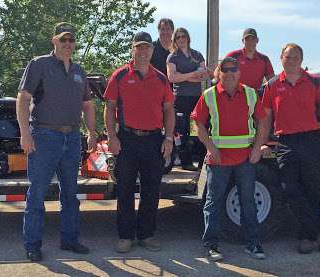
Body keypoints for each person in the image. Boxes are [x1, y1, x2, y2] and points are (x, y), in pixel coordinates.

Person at [17, 22, 96, 262]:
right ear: (54, 41)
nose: (68, 44)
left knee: (70, 194)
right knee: (37, 193)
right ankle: (32, 245)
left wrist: (92, 131)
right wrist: (25, 133)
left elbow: (88, 105)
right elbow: (22, 99)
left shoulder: (80, 71)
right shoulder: (39, 64)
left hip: (72, 138)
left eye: (71, 40)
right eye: (63, 40)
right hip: (43, 137)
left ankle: (70, 240)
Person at [191, 57, 270, 261]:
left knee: (248, 202)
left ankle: (253, 244)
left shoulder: (251, 94)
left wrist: (257, 148)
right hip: (218, 160)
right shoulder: (209, 95)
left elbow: (263, 121)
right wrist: (210, 148)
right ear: (219, 73)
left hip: (245, 157)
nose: (230, 73)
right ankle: (211, 245)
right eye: (225, 70)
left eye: (234, 69)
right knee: (213, 203)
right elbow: (198, 124)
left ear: (239, 73)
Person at [103, 31, 175, 253]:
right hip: (126, 139)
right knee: (124, 189)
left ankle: (147, 235)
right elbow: (109, 108)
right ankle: (125, 237)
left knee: (151, 190)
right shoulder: (120, 76)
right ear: (133, 49)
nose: (143, 52)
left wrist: (169, 138)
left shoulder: (161, 78)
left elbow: (169, 110)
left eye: (147, 48)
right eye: (139, 47)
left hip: (153, 140)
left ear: (152, 51)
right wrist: (112, 138)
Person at [262, 43, 320, 254]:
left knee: (312, 189)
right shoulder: (273, 85)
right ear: (280, 58)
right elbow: (266, 118)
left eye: (294, 57)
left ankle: (307, 236)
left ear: (301, 60)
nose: (290, 60)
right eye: (287, 57)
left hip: (312, 141)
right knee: (290, 189)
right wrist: (263, 142)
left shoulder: (314, 81)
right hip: (286, 142)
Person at [166, 27, 209, 171]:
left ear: (188, 37)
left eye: (183, 36)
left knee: (203, 128)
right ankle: (186, 162)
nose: (181, 39)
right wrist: (193, 74)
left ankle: (204, 161)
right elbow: (172, 77)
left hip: (198, 97)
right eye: (178, 37)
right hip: (180, 98)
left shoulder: (197, 55)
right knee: (182, 131)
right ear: (175, 40)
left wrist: (183, 75)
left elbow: (204, 75)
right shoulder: (172, 57)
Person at [215, 28, 274, 93]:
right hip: (235, 96)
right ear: (243, 41)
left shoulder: (264, 59)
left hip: (255, 98)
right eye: (247, 39)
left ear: (257, 40)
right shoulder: (233, 55)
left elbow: (272, 81)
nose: (250, 42)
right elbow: (218, 72)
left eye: (253, 39)